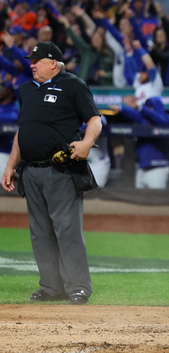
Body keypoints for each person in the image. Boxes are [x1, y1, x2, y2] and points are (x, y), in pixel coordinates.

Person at [1, 41, 102, 305]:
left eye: (37, 60)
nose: (31, 65)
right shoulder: (26, 90)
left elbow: (94, 119)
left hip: (61, 169)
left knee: (67, 230)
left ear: (54, 63)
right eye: (31, 60)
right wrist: (11, 164)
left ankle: (78, 287)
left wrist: (87, 143)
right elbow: (24, 131)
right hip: (31, 170)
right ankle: (51, 286)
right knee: (40, 232)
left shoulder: (73, 85)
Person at [110, 41, 169, 189]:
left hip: (154, 111)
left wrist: (139, 49)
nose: (141, 74)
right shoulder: (139, 84)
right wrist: (129, 52)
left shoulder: (155, 83)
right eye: (141, 72)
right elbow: (129, 69)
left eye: (143, 72)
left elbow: (150, 65)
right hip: (143, 117)